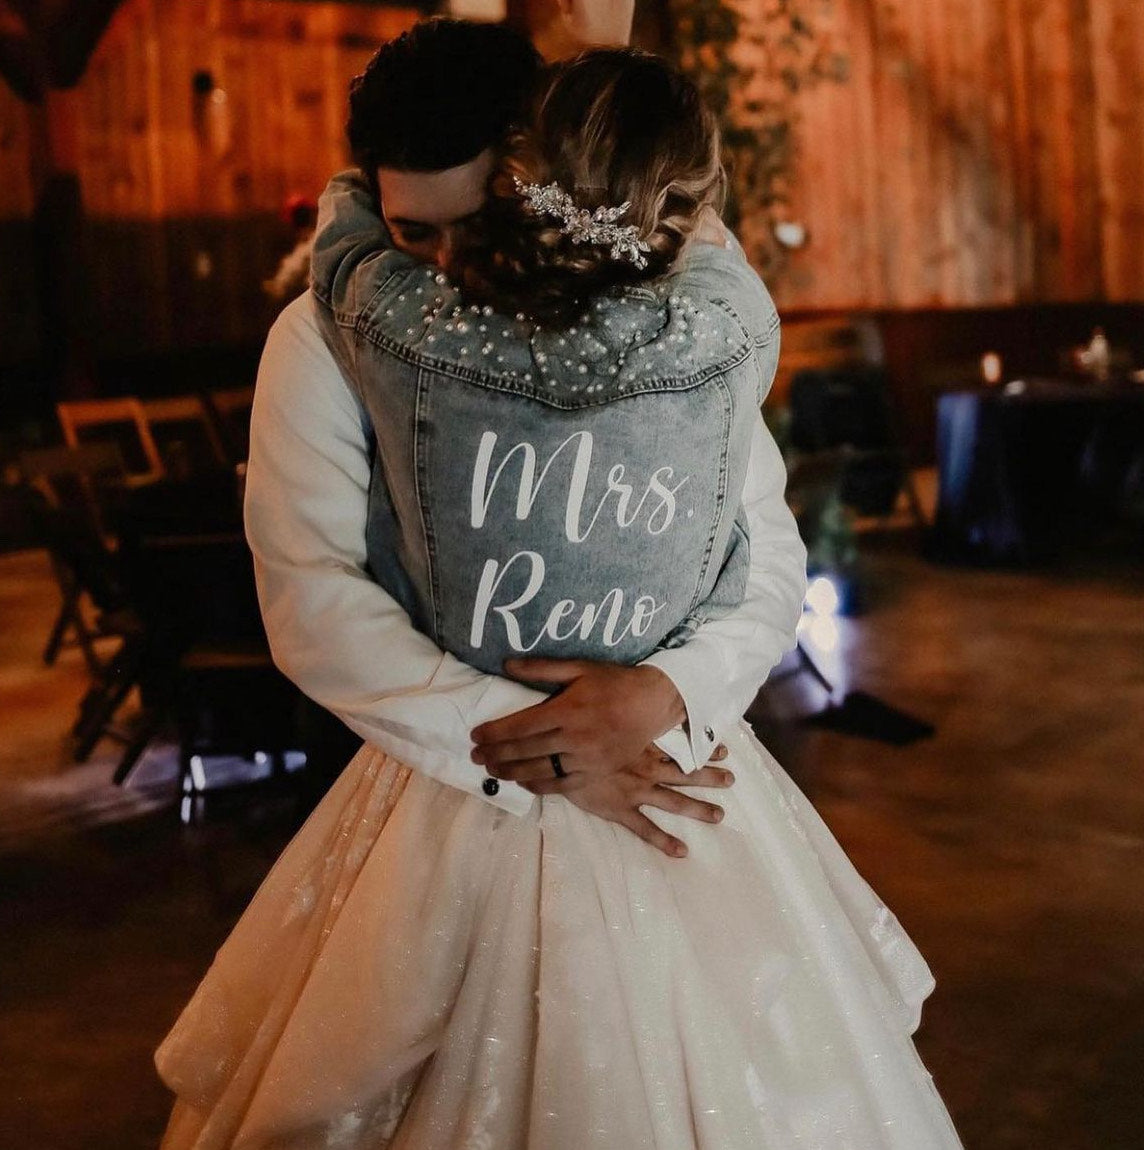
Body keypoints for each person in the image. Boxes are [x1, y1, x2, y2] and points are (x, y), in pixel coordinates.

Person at [154, 25, 964, 1150]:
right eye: (407, 232)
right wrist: (536, 740)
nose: (438, 268)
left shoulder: (668, 328)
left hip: (671, 769)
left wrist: (664, 697)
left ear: (538, 187)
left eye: (473, 226)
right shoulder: (326, 337)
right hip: (448, 787)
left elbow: (764, 548)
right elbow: (313, 601)